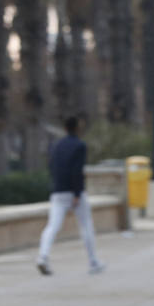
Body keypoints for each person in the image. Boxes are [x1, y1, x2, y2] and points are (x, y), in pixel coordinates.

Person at [36, 116, 104, 276]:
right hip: (73, 192)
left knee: (52, 226)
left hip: (58, 191)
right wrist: (77, 193)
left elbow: (52, 166)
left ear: (65, 128)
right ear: (77, 128)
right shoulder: (80, 145)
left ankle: (42, 256)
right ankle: (93, 261)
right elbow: (77, 170)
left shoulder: (56, 145)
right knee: (86, 225)